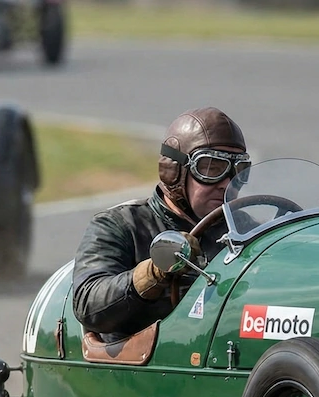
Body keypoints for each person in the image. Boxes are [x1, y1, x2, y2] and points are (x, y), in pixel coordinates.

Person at [72, 107, 250, 342]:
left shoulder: (248, 231)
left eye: (238, 171)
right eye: (211, 168)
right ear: (174, 171)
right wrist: (153, 272)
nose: (227, 183)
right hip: (145, 366)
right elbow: (88, 304)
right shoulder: (120, 225)